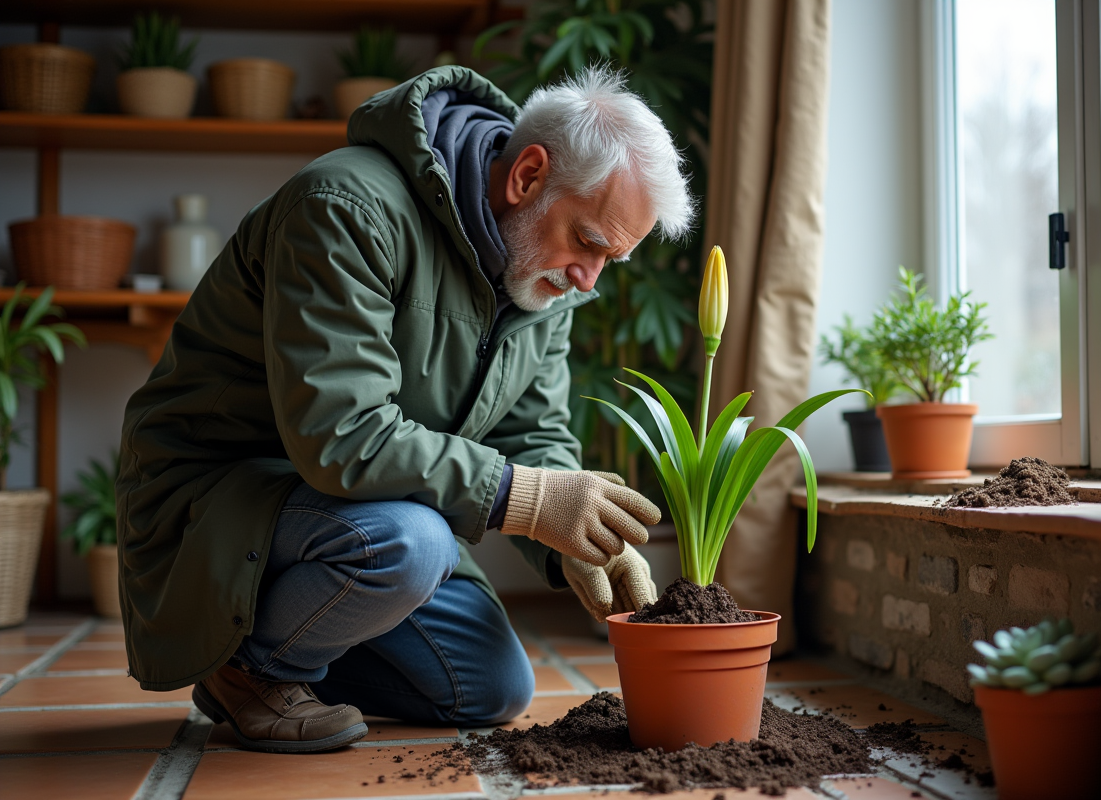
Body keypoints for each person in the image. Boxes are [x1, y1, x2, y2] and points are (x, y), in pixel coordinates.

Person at [115, 65, 694, 755]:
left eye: (611, 260)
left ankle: (293, 640)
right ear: (527, 177)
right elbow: (340, 435)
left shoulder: (540, 275)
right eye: (590, 242)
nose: (588, 278)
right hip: (216, 497)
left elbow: (531, 430)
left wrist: (572, 549)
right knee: (414, 544)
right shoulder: (344, 207)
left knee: (491, 687)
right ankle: (250, 669)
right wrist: (527, 498)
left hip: (352, 514)